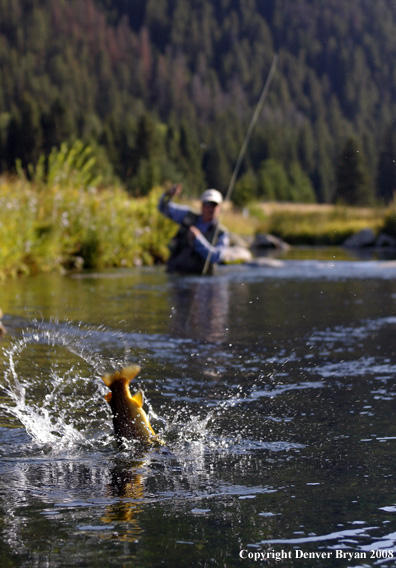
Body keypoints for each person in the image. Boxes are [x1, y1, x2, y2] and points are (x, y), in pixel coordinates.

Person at [158, 184, 229, 274]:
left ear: (219, 208)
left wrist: (198, 239)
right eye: (208, 204)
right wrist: (168, 195)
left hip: (201, 279)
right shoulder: (187, 215)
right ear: (202, 205)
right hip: (176, 272)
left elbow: (216, 257)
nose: (211, 208)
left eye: (214, 205)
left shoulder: (222, 233)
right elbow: (162, 208)